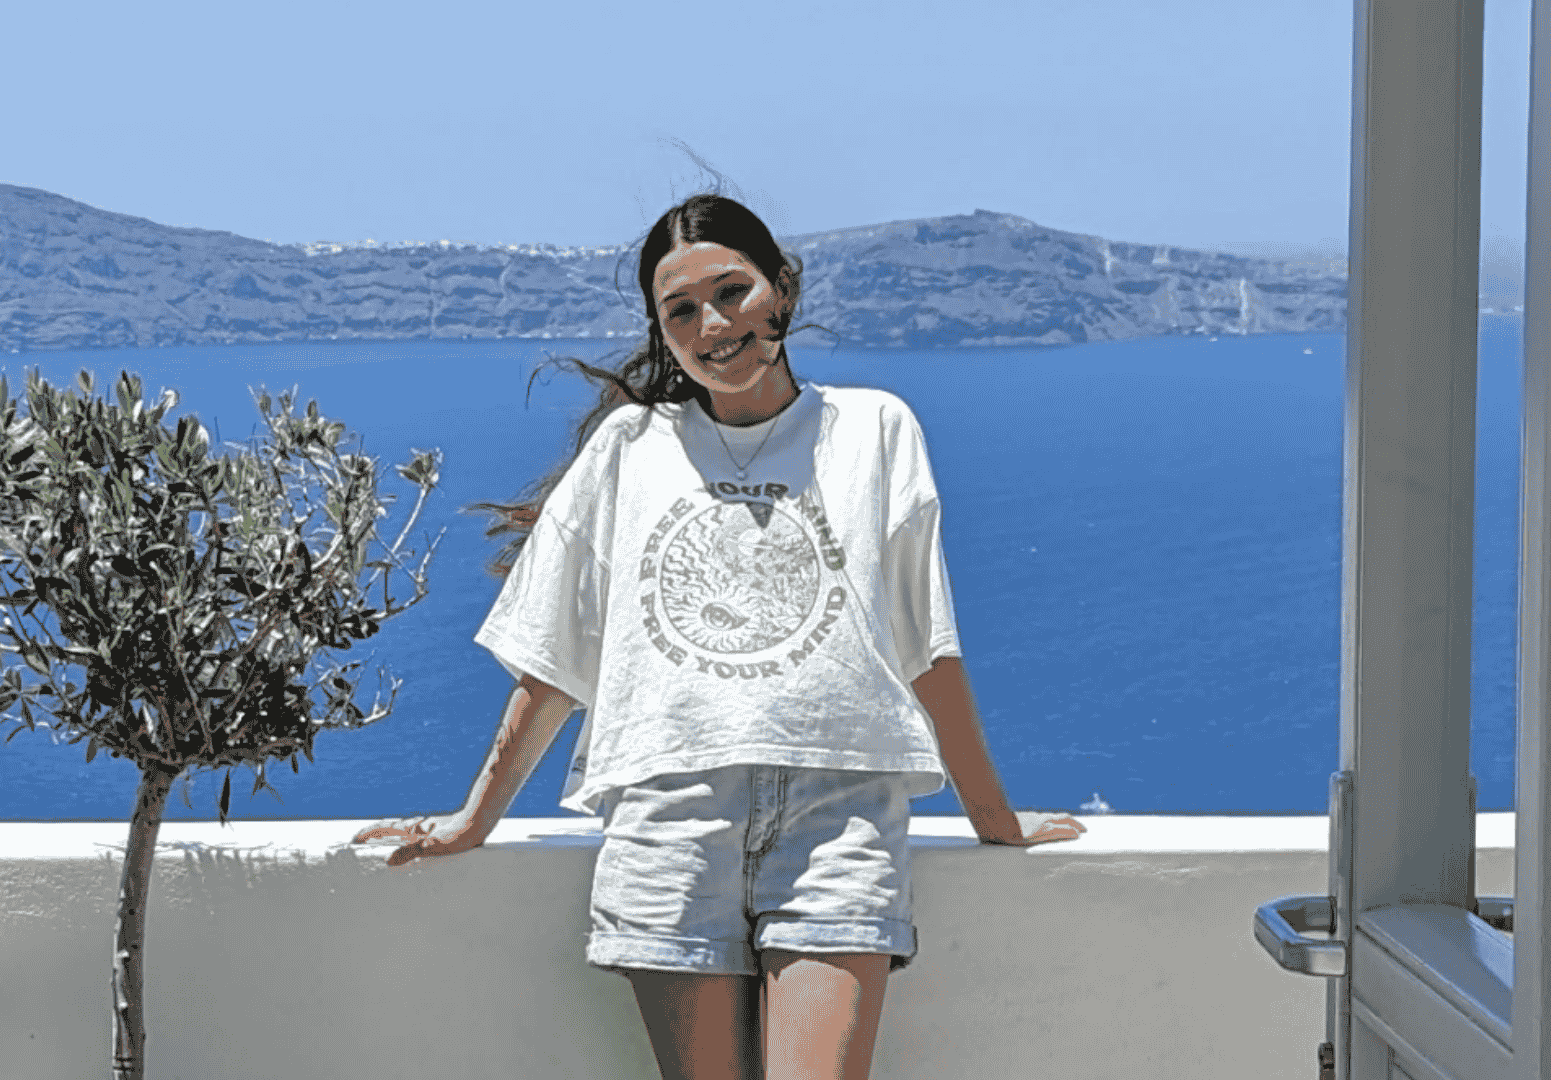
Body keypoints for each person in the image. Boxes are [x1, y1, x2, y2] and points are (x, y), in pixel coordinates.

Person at [353, 193, 1084, 1080]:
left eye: (732, 291)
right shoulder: (628, 446)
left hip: (836, 818)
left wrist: (994, 820)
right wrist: (474, 820)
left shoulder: (874, 429)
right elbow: (557, 660)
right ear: (662, 332)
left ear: (781, 289)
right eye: (682, 310)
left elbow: (925, 643)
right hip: (668, 821)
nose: (713, 323)